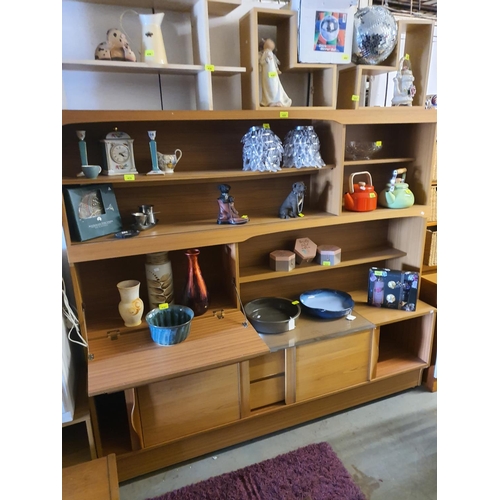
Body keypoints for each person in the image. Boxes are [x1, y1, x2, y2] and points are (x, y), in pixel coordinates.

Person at [258, 38, 292, 107]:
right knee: (269, 86)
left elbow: (275, 63)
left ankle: (277, 100)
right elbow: (261, 61)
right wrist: (266, 60)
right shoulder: (265, 53)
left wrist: (277, 70)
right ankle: (270, 101)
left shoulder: (271, 54)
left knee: (276, 86)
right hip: (267, 73)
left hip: (273, 73)